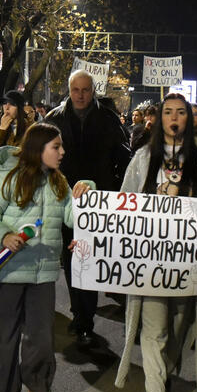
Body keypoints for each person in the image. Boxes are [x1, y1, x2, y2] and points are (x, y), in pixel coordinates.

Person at [114, 93, 197, 392]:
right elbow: (122, 205)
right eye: (168, 112)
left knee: (178, 329)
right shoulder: (142, 159)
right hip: (149, 262)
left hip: (187, 264)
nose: (175, 118)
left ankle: (161, 380)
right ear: (159, 119)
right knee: (154, 331)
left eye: (181, 112)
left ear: (190, 120)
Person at [0, 122, 94, 392]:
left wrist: (86, 191)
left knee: (41, 339)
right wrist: (4, 236)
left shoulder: (59, 181)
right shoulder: (7, 178)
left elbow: (72, 218)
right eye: (56, 147)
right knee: (6, 339)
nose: (62, 152)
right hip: (8, 273)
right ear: (38, 149)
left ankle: (39, 390)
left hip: (43, 276)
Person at [44, 69, 129, 346]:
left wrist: (116, 193)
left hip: (99, 203)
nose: (80, 95)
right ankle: (79, 312)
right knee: (71, 259)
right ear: (69, 91)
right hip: (65, 199)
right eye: (76, 90)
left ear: (93, 91)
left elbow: (123, 158)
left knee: (89, 258)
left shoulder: (108, 119)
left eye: (85, 90)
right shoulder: (54, 119)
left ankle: (86, 317)